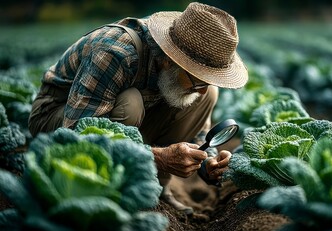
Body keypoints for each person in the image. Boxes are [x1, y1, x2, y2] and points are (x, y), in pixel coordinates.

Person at [28, 2, 248, 213]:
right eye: (198, 80)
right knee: (130, 103)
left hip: (116, 125)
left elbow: (198, 135)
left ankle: (158, 189)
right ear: (170, 61)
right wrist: (159, 157)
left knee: (207, 95)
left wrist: (207, 160)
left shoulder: (174, 74)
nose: (200, 89)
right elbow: (79, 135)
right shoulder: (115, 53)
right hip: (60, 120)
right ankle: (110, 193)